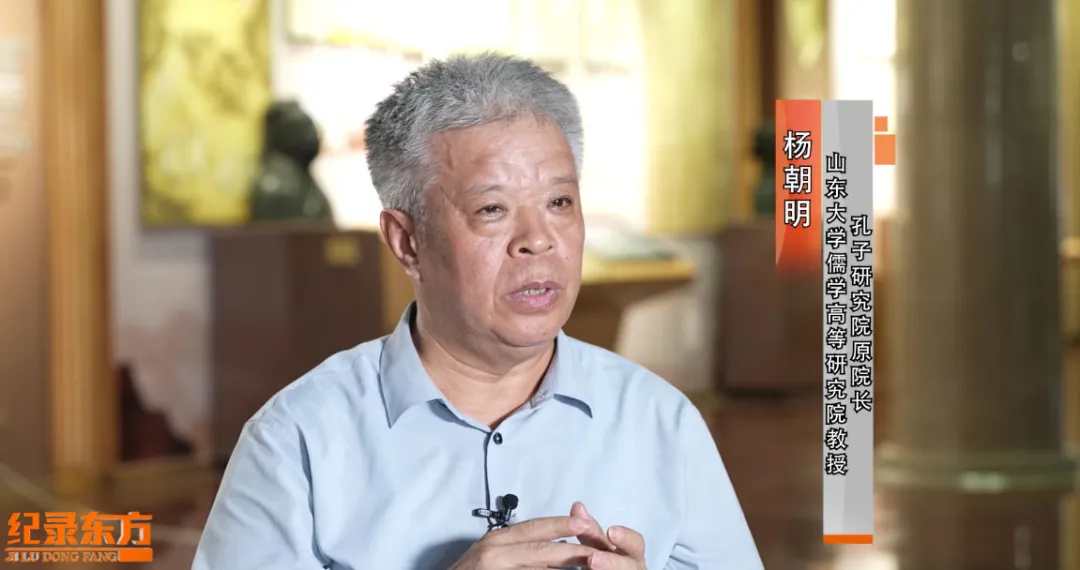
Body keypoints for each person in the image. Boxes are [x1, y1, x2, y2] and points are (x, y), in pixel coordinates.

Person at [193, 53, 763, 570]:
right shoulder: (296, 440)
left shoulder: (660, 421)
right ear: (406, 242)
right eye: (492, 209)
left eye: (559, 202)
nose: (537, 239)